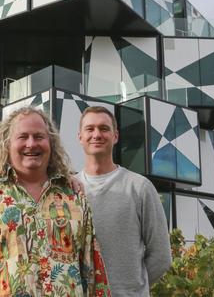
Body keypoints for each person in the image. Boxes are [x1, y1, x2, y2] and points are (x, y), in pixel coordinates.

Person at [0, 107, 110, 297]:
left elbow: (93, 275)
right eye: (22, 137)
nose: (31, 144)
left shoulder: (74, 196)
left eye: (39, 136)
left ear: (51, 144)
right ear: (7, 144)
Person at [76, 106, 171, 296]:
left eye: (104, 128)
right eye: (90, 129)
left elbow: (161, 256)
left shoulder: (139, 187)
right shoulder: (70, 190)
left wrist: (133, 289)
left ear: (115, 136)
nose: (97, 134)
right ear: (80, 137)